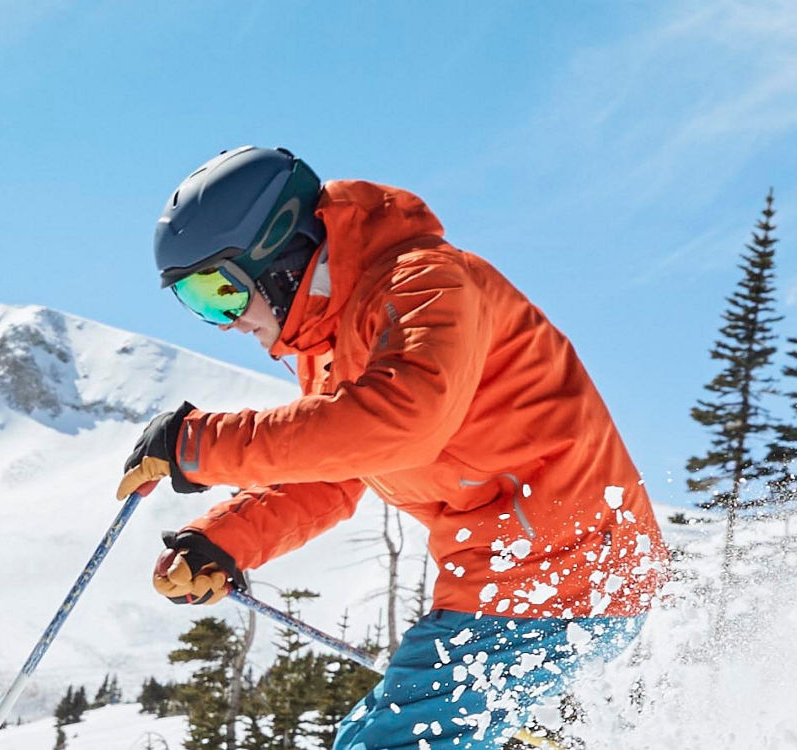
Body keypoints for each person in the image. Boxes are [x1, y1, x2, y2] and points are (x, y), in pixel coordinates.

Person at [113, 147, 668, 749]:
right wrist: (225, 539)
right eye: (196, 304)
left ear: (280, 253)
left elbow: (404, 419)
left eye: (221, 292)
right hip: (515, 580)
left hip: (567, 573)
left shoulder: (428, 282)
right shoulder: (326, 343)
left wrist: (202, 444)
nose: (226, 322)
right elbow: (337, 468)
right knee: (365, 738)